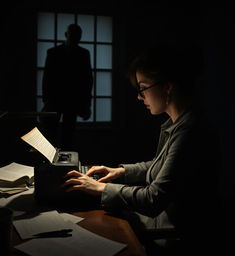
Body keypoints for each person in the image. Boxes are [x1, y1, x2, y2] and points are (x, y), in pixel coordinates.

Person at [62, 44, 221, 254]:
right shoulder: (176, 124)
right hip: (156, 225)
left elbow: (153, 198)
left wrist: (101, 188)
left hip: (171, 238)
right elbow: (163, 167)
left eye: (143, 87)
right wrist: (120, 171)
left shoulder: (191, 130)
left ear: (167, 87)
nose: (139, 96)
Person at [40, 24, 93, 149]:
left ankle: (63, 161)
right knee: (52, 133)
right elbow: (47, 78)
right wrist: (46, 100)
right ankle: (53, 161)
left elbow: (88, 80)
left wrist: (87, 103)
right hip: (58, 99)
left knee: (67, 135)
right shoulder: (56, 53)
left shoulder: (81, 53)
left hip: (70, 100)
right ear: (66, 35)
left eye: (77, 35)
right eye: (73, 34)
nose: (75, 37)